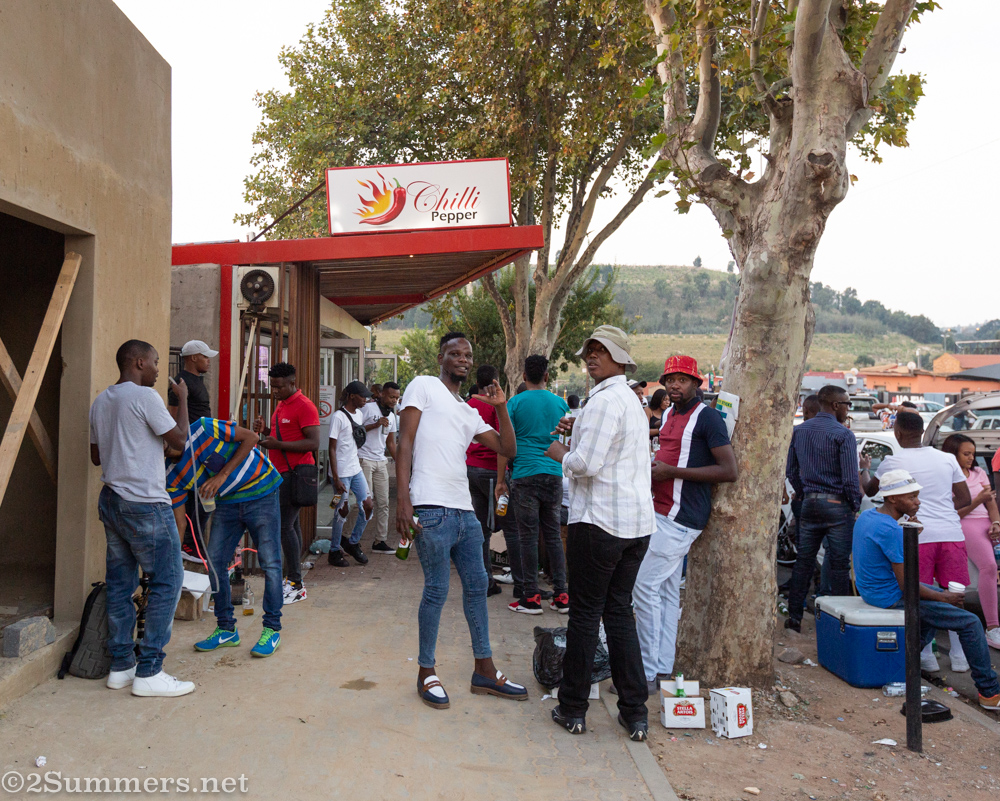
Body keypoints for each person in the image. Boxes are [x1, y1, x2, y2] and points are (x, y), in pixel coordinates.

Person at [395, 332, 527, 710]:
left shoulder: (469, 409)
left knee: (478, 585)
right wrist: (404, 499)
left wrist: (501, 407)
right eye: (455, 353)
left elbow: (508, 448)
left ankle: (484, 669)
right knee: (436, 590)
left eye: (467, 354)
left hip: (464, 510)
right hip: (430, 507)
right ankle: (426, 671)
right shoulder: (423, 386)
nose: (463, 359)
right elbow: (405, 442)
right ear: (441, 357)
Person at [544, 325, 655, 742]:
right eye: (588, 350)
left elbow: (586, 464)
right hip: (635, 526)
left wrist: (561, 453)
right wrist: (578, 431)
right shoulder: (627, 398)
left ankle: (573, 708)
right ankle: (635, 712)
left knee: (587, 616)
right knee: (619, 613)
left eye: (600, 351)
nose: (591, 357)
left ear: (619, 357)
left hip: (601, 523)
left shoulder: (605, 401)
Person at [89, 339, 194, 697]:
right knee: (168, 579)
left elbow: (96, 456)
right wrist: (182, 400)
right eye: (154, 362)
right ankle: (150, 671)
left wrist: (140, 445)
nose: (158, 370)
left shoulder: (102, 400)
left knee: (120, 582)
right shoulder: (145, 397)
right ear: (137, 363)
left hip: (112, 500)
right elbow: (180, 437)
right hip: (145, 502)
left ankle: (121, 666)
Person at [852, 468, 1000, 709]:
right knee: (971, 622)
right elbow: (908, 587)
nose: (918, 502)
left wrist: (908, 534)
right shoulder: (891, 531)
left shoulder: (869, 516)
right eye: (911, 497)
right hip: (889, 595)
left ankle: (904, 663)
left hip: (873, 590)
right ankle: (989, 693)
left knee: (931, 614)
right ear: (892, 498)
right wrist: (945, 597)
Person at [632, 355, 737, 690]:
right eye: (670, 379)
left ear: (696, 383)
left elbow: (729, 471)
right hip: (660, 511)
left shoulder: (706, 419)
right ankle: (660, 666)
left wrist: (672, 472)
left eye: (682, 379)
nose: (674, 385)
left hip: (681, 517)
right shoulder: (668, 417)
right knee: (662, 592)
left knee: (644, 587)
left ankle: (646, 669)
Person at [166, 418, 284, 657]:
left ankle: (272, 629)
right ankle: (226, 629)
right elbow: (179, 523)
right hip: (227, 505)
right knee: (215, 563)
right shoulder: (170, 474)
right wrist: (169, 561)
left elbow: (251, 437)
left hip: (261, 491)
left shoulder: (202, 428)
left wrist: (221, 476)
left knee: (270, 563)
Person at [866, 411, 972, 671]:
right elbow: (965, 498)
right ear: (923, 432)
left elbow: (871, 491)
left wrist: (864, 469)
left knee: (921, 598)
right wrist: (943, 509)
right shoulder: (947, 458)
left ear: (898, 433)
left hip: (916, 535)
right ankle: (959, 657)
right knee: (955, 594)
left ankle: (926, 657)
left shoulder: (892, 461)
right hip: (950, 534)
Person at [784, 385, 863, 632]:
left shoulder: (799, 432)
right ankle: (835, 623)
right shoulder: (844, 434)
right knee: (839, 566)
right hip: (837, 505)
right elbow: (851, 479)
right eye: (847, 404)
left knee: (804, 562)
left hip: (809, 503)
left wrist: (805, 492)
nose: (848, 409)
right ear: (836, 405)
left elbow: (791, 472)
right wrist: (854, 505)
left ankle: (794, 618)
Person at [499, 355, 571, 615]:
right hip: (554, 474)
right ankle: (562, 595)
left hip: (524, 476)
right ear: (547, 376)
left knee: (527, 537)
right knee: (552, 535)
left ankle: (531, 597)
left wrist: (500, 481)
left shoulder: (514, 403)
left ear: (523, 377)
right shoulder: (560, 403)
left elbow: (504, 445)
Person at [254, 363, 319, 605]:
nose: (275, 391)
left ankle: (295, 583)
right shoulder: (282, 405)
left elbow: (313, 442)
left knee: (283, 526)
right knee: (291, 527)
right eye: (272, 386)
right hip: (282, 474)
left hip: (297, 475)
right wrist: (268, 431)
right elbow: (287, 436)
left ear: (292, 383)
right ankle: (294, 579)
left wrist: (277, 445)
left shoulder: (305, 406)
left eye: (279, 387)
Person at [942, 434, 1000, 649]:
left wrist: (996, 523)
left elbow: (991, 503)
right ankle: (993, 627)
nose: (970, 458)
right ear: (953, 453)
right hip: (966, 523)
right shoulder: (948, 476)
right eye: (966, 454)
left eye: (972, 454)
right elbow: (954, 513)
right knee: (989, 566)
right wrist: (978, 501)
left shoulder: (978, 472)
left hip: (987, 522)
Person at [167, 339, 218, 563]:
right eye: (205, 356)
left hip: (204, 448)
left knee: (207, 499)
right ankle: (190, 544)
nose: (208, 360)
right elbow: (173, 414)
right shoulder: (181, 381)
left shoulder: (198, 380)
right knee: (196, 499)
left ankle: (194, 543)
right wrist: (180, 446)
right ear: (193, 357)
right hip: (191, 450)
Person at [466, 364, 505, 597]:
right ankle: (487, 581)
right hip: (490, 471)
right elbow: (502, 445)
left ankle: (481, 578)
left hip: (471, 469)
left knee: (480, 527)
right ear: (496, 381)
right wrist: (502, 479)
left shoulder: (468, 405)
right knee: (491, 530)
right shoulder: (496, 407)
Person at [327, 381, 375, 567]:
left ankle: (353, 542)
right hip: (341, 473)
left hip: (355, 469)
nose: (366, 399)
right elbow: (331, 448)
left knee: (368, 505)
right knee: (341, 509)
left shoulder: (360, 414)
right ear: (351, 396)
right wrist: (336, 478)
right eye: (362, 396)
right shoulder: (338, 417)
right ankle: (334, 550)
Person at [361, 381, 400, 554]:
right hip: (364, 459)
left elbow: (391, 442)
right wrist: (375, 425)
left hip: (380, 461)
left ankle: (380, 540)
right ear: (382, 394)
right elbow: (355, 430)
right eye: (392, 397)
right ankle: (349, 538)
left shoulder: (392, 416)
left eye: (397, 398)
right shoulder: (368, 409)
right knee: (363, 504)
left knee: (384, 503)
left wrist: (401, 463)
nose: (394, 401)